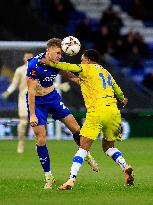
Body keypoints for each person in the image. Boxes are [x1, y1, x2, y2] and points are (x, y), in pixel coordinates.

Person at [42, 49, 134, 190]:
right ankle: (125, 166)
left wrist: (52, 63)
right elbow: (116, 88)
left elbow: (68, 66)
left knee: (83, 148)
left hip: (97, 111)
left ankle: (71, 180)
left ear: (89, 60)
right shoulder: (105, 72)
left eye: (83, 59)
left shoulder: (86, 68)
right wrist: (123, 98)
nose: (81, 62)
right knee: (109, 147)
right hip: (113, 111)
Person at [26, 38, 99, 190]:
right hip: (38, 103)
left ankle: (86, 154)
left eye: (61, 53)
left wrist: (82, 81)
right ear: (49, 51)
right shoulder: (34, 65)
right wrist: (32, 114)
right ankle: (48, 176)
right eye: (58, 53)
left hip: (52, 98)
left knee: (77, 129)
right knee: (41, 138)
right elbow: (31, 92)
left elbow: (69, 75)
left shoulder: (57, 62)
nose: (60, 56)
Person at [2, 52, 33, 153]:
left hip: (37, 99)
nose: (28, 58)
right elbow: (14, 84)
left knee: (39, 123)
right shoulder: (19, 70)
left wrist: (57, 86)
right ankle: (21, 142)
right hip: (23, 99)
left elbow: (46, 82)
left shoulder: (38, 69)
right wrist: (8, 92)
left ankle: (40, 145)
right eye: (26, 57)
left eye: (30, 57)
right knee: (23, 122)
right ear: (24, 58)